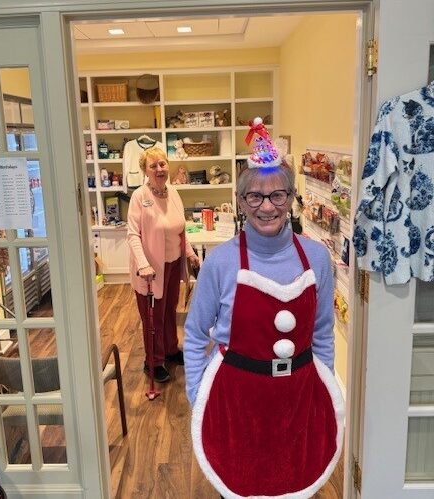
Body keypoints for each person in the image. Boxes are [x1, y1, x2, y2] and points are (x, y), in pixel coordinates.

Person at [184, 118, 344, 498]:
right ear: (240, 202)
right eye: (254, 196)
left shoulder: (317, 259)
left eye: (278, 195)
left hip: (298, 403)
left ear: (291, 198)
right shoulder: (220, 263)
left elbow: (321, 333)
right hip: (236, 405)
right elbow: (193, 336)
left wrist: (322, 393)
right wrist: (198, 396)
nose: (267, 206)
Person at [127, 147, 200, 383]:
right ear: (145, 171)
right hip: (150, 269)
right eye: (153, 166)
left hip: (172, 263)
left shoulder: (174, 193)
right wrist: (143, 264)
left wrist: (189, 254)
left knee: (169, 310)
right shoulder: (139, 196)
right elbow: (132, 235)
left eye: (162, 164)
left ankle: (170, 349)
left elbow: (180, 231)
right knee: (153, 317)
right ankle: (153, 361)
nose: (159, 169)